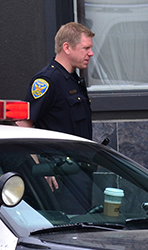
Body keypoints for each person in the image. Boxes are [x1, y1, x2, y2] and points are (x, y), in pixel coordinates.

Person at [18, 22, 96, 213]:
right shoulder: (47, 80)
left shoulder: (73, 80)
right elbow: (22, 123)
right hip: (60, 175)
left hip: (80, 171)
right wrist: (40, 167)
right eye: (86, 48)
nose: (91, 53)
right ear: (67, 47)